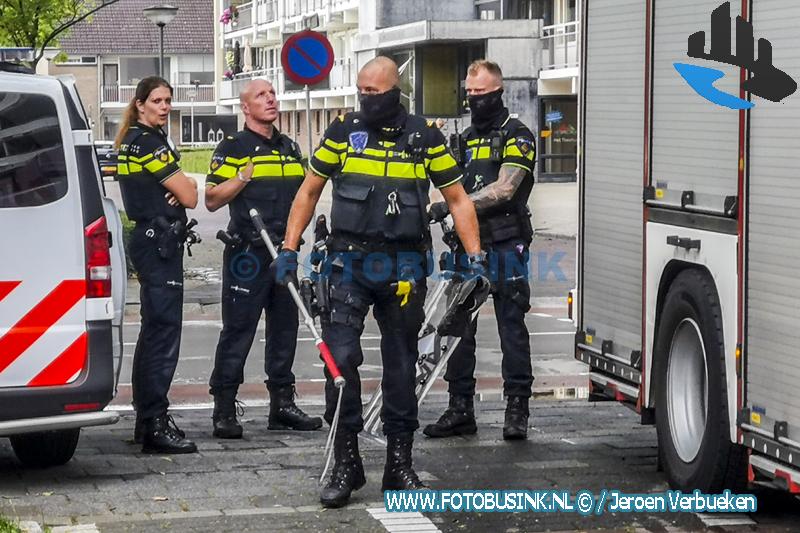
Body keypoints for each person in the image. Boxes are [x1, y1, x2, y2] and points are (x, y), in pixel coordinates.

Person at [277, 57, 485, 508]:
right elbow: (309, 190)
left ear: (395, 91)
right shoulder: (342, 132)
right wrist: (289, 249)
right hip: (347, 264)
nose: (365, 99)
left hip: (404, 268)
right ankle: (346, 462)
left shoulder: (425, 137)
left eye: (374, 92)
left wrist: (476, 258)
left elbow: (457, 199)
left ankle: (399, 464)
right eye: (361, 91)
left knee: (402, 367)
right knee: (340, 362)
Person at [425, 60, 537, 440]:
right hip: (464, 246)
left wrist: (455, 207)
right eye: (470, 93)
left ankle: (517, 409)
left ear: (498, 93)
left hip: (505, 243)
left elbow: (505, 189)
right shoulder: (462, 138)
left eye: (481, 93)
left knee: (511, 328)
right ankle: (460, 408)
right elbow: (444, 183)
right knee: (458, 331)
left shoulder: (517, 135)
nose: (474, 100)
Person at [205, 79, 322, 438]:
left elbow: (304, 196)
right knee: (238, 330)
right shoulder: (234, 147)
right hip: (248, 254)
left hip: (284, 252)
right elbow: (212, 198)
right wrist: (242, 178)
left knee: (285, 328)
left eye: (272, 94)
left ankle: (282, 405)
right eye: (261, 95)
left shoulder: (289, 148)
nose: (270, 99)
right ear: (245, 107)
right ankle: (224, 408)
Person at [115, 77, 199, 454]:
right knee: (163, 332)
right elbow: (190, 196)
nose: (164, 107)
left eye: (168, 100)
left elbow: (180, 191)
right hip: (159, 243)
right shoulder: (149, 143)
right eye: (157, 101)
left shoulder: (131, 139)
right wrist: (182, 188)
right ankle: (155, 423)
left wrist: (178, 188)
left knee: (152, 331)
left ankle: (145, 419)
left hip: (150, 241)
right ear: (140, 105)